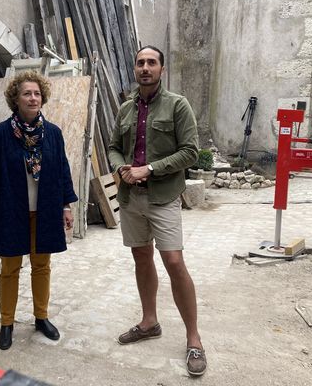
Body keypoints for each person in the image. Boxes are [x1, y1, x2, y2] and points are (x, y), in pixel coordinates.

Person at [108, 45, 207, 376]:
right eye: (140, 63)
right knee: (141, 257)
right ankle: (149, 322)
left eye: (152, 62)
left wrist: (148, 169)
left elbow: (191, 152)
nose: (145, 68)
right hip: (130, 199)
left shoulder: (177, 105)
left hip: (162, 196)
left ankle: (194, 339)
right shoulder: (125, 109)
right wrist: (122, 166)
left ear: (162, 69)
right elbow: (112, 147)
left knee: (174, 262)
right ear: (134, 69)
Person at [0, 71, 78, 350]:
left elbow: (62, 172)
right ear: (16, 99)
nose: (33, 98)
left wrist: (66, 205)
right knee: (10, 268)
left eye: (36, 93)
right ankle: (7, 323)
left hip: (44, 210)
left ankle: (41, 317)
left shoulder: (53, 134)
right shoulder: (1, 134)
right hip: (12, 210)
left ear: (42, 97)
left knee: (42, 266)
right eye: (27, 93)